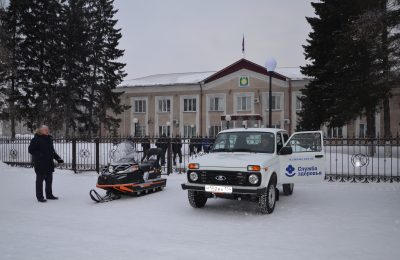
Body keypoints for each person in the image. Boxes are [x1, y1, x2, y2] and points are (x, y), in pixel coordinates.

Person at [28, 125, 63, 203]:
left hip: (49, 163)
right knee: (39, 181)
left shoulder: (49, 139)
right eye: (45, 130)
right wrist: (40, 155)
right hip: (40, 164)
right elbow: (31, 150)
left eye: (48, 129)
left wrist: (58, 159)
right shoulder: (36, 139)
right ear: (40, 131)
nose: (47, 131)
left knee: (49, 180)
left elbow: (52, 151)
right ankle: (40, 197)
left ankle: (49, 195)